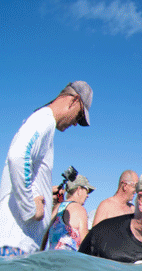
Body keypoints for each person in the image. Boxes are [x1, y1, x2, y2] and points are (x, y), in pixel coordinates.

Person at [0, 80, 93, 256]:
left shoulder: (44, 123)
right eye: (79, 116)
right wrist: (30, 208)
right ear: (74, 100)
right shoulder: (44, 119)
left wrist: (44, 194)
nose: (75, 123)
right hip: (15, 244)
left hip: (20, 245)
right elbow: (17, 156)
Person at [43, 174, 95, 251]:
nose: (87, 195)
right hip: (70, 261)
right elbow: (85, 244)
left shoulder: (57, 208)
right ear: (79, 189)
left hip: (50, 258)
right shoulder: (80, 210)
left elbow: (44, 236)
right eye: (87, 191)